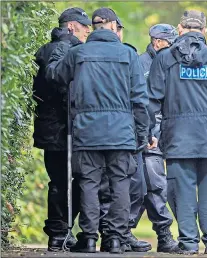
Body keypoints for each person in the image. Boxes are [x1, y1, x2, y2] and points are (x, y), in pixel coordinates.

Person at [45, 7, 150, 254]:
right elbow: (139, 99)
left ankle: (89, 238)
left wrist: (61, 43)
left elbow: (54, 75)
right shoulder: (128, 55)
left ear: (92, 27)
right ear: (114, 27)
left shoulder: (77, 53)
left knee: (89, 183)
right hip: (122, 133)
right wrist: (142, 133)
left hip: (87, 131)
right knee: (120, 184)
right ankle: (115, 239)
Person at [147, 10, 207, 254]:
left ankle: (189, 244)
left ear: (179, 29)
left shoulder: (164, 58)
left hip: (178, 136)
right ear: (204, 31)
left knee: (184, 192)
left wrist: (149, 131)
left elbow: (152, 98)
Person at [32, 7, 91, 251]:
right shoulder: (76, 51)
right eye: (84, 27)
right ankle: (64, 230)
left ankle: (57, 233)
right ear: (71, 27)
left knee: (58, 181)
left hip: (49, 128)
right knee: (80, 180)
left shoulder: (42, 51)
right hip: (72, 127)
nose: (88, 31)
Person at [97, 16, 152, 253]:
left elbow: (140, 99)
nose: (118, 32)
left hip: (122, 133)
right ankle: (112, 235)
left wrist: (143, 133)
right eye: (117, 28)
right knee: (108, 185)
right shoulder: (124, 56)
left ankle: (118, 233)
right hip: (116, 132)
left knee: (134, 186)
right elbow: (139, 99)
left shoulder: (128, 55)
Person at [128, 23, 180, 253]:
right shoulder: (141, 65)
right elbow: (142, 104)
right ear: (157, 42)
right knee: (153, 183)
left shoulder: (170, 63)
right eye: (171, 42)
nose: (175, 46)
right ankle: (163, 234)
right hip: (148, 136)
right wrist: (149, 133)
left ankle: (123, 232)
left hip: (163, 134)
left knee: (147, 186)